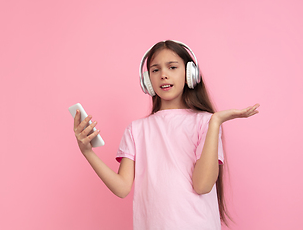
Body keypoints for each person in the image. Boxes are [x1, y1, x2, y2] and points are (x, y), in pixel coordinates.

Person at [73, 40, 259, 230]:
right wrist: (88, 152)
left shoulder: (206, 123)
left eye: (172, 67)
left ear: (190, 74)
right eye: (155, 70)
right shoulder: (136, 129)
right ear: (147, 81)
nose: (163, 75)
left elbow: (202, 185)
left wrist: (215, 122)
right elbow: (122, 188)